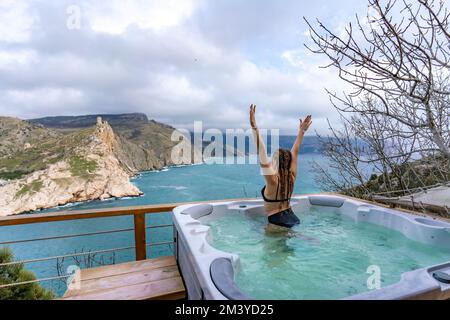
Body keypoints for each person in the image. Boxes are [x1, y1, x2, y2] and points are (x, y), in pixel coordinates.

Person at [249, 104, 312, 229]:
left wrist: (254, 127)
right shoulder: (291, 178)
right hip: (292, 218)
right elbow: (295, 152)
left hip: (276, 222)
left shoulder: (272, 180)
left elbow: (261, 151)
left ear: (275, 162)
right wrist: (302, 131)